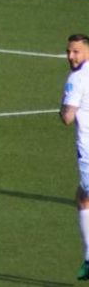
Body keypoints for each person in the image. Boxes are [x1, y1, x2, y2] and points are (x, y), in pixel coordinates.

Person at [60, 34, 89, 281]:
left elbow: (68, 117)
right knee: (83, 198)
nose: (70, 56)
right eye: (69, 52)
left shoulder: (77, 79)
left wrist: (64, 105)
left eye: (76, 52)